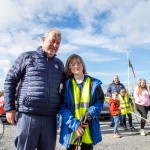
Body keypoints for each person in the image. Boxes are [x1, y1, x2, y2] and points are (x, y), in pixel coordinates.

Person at [3, 28, 65, 150]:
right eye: (52, 41)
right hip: (28, 116)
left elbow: (68, 86)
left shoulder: (59, 64)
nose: (55, 45)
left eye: (58, 43)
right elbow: (10, 80)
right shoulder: (26, 57)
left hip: (50, 118)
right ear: (43, 40)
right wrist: (10, 108)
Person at [60, 54, 104, 150]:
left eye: (78, 63)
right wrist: (75, 124)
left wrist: (89, 114)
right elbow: (62, 107)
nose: (76, 66)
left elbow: (100, 101)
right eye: (72, 64)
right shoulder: (66, 85)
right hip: (71, 129)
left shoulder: (94, 83)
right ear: (69, 68)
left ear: (82, 65)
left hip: (88, 127)